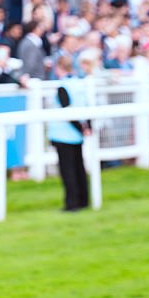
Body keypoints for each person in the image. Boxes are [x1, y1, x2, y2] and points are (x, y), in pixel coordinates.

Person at [47, 56, 90, 212]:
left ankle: (72, 203)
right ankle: (84, 200)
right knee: (79, 168)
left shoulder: (63, 86)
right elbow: (86, 105)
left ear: (59, 68)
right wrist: (86, 127)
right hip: (77, 134)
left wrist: (80, 128)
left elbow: (67, 109)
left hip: (64, 134)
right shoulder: (79, 84)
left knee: (68, 171)